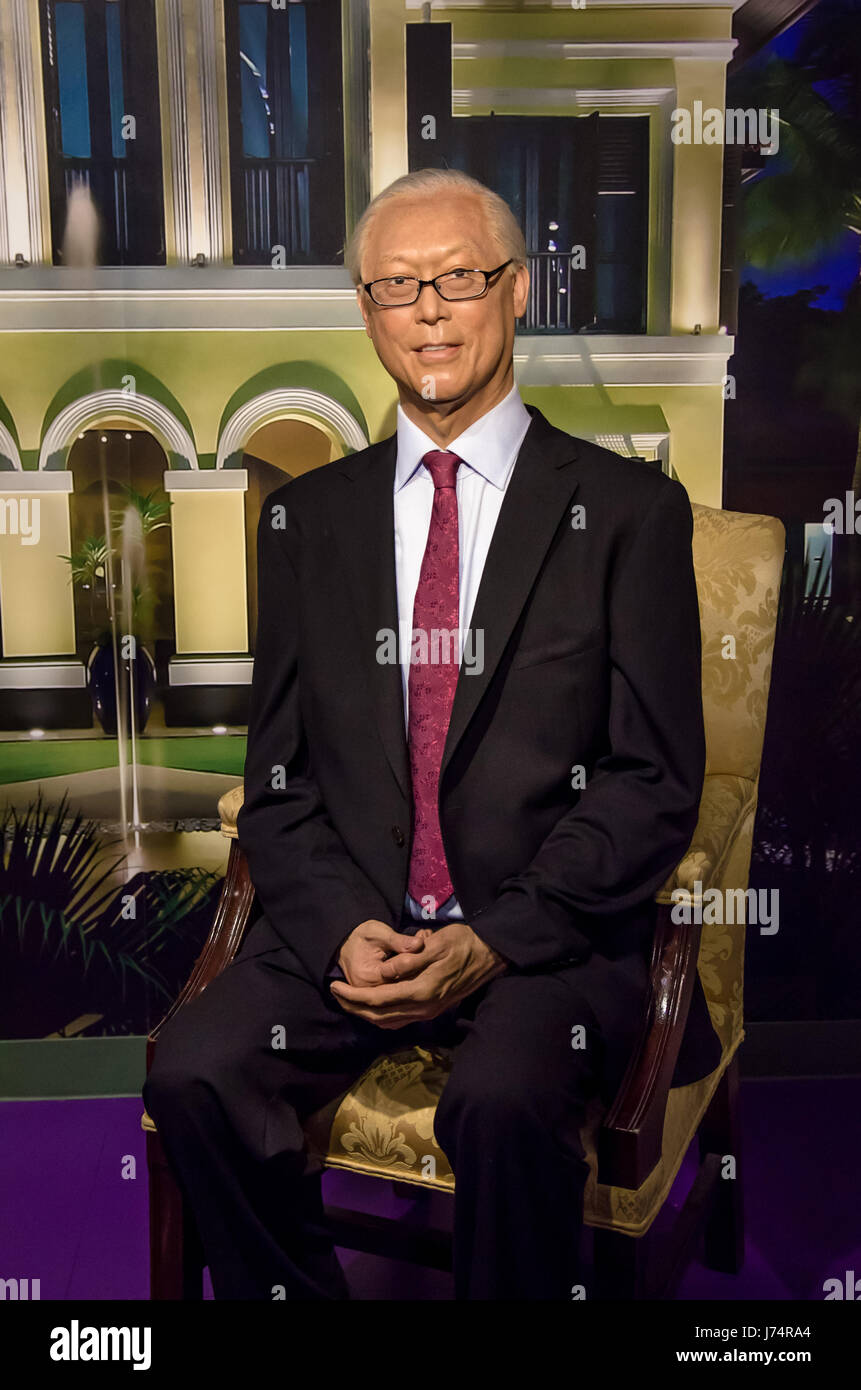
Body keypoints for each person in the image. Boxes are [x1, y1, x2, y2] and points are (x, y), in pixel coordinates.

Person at [143, 168, 721, 1301]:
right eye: (397, 286)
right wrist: (339, 926)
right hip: (359, 920)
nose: (429, 312)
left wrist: (494, 935)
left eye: (458, 277)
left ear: (515, 295)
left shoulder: (627, 512)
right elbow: (279, 776)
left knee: (503, 1102)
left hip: (541, 937)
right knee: (199, 1072)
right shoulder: (306, 520)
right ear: (367, 313)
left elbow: (654, 780)